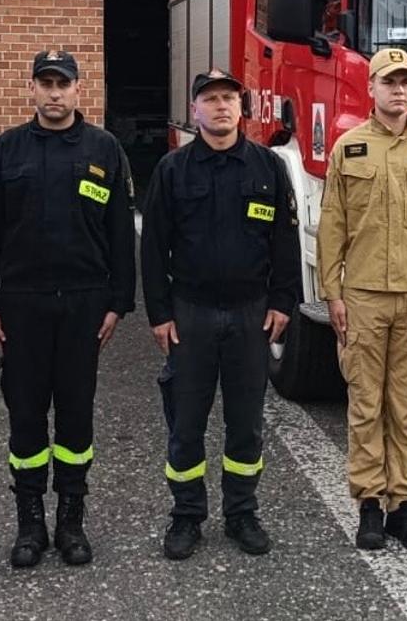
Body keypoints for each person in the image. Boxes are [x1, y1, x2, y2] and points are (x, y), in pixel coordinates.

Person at [0, 48, 136, 569]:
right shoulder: (7, 151)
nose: (55, 93)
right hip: (22, 304)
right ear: (32, 90)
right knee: (25, 416)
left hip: (84, 303)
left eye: (63, 84)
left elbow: (120, 231)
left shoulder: (104, 149)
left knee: (76, 415)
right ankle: (29, 524)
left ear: (77, 89)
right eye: (46, 83)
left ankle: (70, 521)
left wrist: (119, 302)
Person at [140, 69, 301, 561]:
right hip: (190, 315)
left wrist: (283, 302)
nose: (221, 106)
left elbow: (285, 240)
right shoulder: (173, 170)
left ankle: (241, 512)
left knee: (246, 423)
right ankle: (187, 514)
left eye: (229, 98)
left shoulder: (267, 167)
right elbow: (153, 247)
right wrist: (159, 313)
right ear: (195, 111)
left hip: (251, 315)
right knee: (186, 422)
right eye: (210, 99)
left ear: (241, 106)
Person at [316, 47, 407, 552]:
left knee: (405, 406)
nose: (399, 90)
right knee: (364, 404)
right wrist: (332, 292)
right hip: (362, 297)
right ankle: (369, 505)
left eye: (406, 82)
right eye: (389, 82)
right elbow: (332, 226)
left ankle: (404, 505)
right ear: (371, 88)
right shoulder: (349, 148)